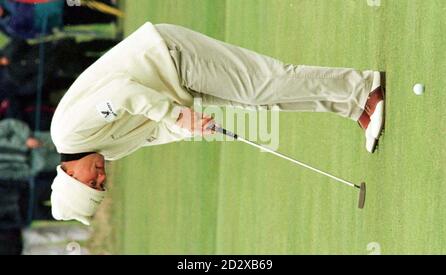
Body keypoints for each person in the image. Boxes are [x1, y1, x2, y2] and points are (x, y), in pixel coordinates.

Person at [50, 22, 385, 225]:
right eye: (101, 186)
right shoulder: (107, 151)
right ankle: (354, 107)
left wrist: (178, 116)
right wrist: (190, 128)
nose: (101, 177)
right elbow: (153, 131)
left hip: (169, 55)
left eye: (91, 183)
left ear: (68, 173)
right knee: (260, 102)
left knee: (262, 84)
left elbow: (122, 93)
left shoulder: (68, 130)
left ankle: (363, 87)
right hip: (176, 85)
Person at [0, 0, 117, 39]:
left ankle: (109, 3)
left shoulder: (8, 2)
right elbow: (29, 34)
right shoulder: (9, 27)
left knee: (81, 3)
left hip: (54, 3)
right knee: (82, 17)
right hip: (54, 20)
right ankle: (109, 18)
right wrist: (46, 32)